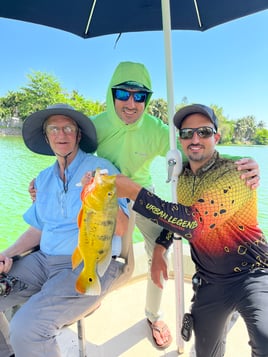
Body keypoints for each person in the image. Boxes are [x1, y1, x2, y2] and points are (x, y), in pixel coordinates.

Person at [29, 61, 260, 349]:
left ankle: (153, 315)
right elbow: (68, 157)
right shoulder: (96, 127)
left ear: (147, 100)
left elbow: (196, 149)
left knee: (158, 258)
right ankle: (86, 297)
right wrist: (40, 185)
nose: (130, 103)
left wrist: (241, 165)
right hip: (107, 197)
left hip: (144, 197)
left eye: (139, 96)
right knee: (98, 252)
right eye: (123, 94)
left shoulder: (156, 129)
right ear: (111, 94)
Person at [113, 104, 268, 356]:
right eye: (187, 134)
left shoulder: (236, 172)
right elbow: (177, 219)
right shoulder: (182, 179)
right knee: (205, 351)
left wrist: (134, 192)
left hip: (251, 274)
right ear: (180, 141)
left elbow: (194, 223)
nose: (195, 139)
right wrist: (161, 249)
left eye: (204, 132)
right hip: (209, 281)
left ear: (216, 137)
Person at [0, 103, 129, 357]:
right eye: (54, 129)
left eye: (69, 128)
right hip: (42, 262)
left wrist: (101, 195)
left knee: (26, 328)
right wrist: (6, 253)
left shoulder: (102, 170)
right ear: (47, 138)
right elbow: (38, 228)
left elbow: (122, 229)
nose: (62, 134)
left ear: (78, 135)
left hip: (89, 264)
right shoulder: (43, 179)